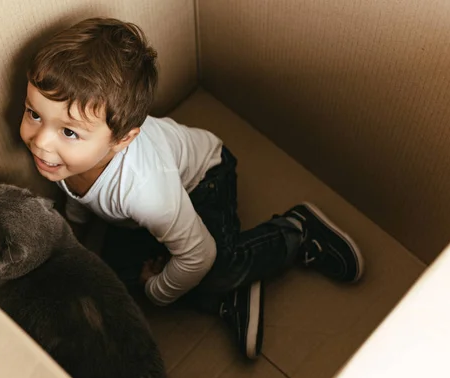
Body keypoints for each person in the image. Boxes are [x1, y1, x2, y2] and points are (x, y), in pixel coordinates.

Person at [18, 17, 364, 359]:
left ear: (122, 140)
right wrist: (74, 229)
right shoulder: (64, 158)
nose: (41, 143)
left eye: (68, 132)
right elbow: (77, 194)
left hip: (205, 179)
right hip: (140, 213)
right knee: (110, 283)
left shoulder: (144, 190)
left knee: (211, 270)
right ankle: (234, 295)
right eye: (34, 114)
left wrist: (157, 291)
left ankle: (298, 230)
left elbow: (199, 255)